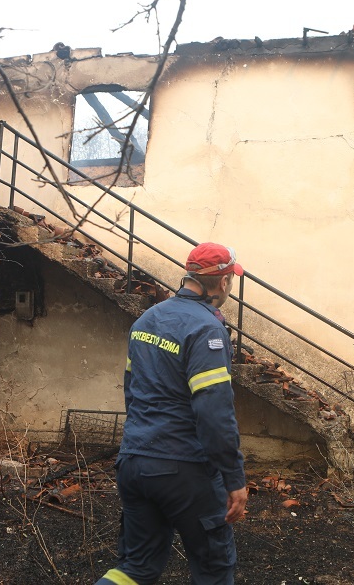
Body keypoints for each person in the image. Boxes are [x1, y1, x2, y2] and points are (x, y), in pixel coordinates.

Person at [97, 243, 248, 585]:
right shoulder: (207, 329)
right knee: (214, 569)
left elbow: (131, 391)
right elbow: (214, 412)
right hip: (184, 468)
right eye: (231, 281)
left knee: (135, 568)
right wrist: (234, 478)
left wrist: (143, 440)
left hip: (134, 462)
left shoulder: (146, 320)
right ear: (224, 282)